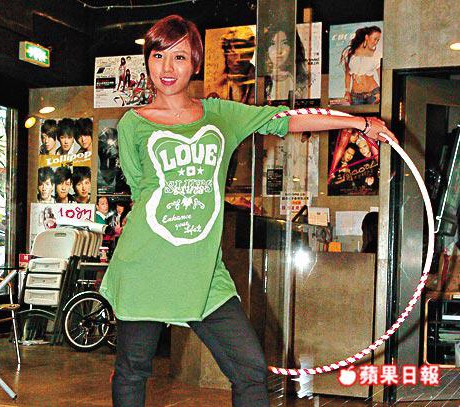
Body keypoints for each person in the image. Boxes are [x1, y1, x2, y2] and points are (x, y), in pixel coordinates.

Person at [98, 15, 397, 407]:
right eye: (158, 56)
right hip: (146, 266)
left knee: (251, 370)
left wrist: (360, 123)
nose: (167, 67)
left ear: (196, 63)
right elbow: (142, 193)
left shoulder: (221, 114)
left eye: (179, 57)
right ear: (147, 60)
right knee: (132, 370)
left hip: (204, 271)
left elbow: (286, 121)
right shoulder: (133, 125)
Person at [341, 26, 382, 105]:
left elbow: (381, 76)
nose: (376, 42)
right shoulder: (348, 53)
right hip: (356, 96)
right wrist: (347, 91)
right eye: (375, 39)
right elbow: (347, 74)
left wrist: (382, 93)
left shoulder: (376, 54)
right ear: (366, 37)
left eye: (378, 40)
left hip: (374, 93)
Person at [219, 26, 256, 104]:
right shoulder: (218, 83)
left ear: (251, 54)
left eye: (243, 53)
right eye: (233, 53)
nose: (238, 59)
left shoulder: (262, 82)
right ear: (225, 54)